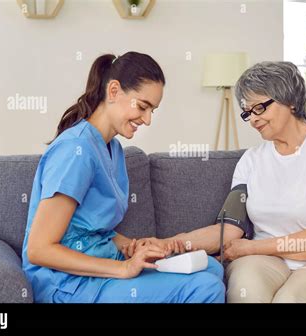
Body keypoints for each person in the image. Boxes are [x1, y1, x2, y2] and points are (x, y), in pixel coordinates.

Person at [144, 61, 306, 303]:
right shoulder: (251, 160)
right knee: (247, 294)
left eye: (259, 108)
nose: (252, 119)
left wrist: (250, 248)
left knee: (291, 300)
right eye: (247, 112)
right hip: (267, 261)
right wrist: (169, 244)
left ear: (290, 100)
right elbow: (228, 231)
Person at [21, 52, 225, 303]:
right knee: (205, 288)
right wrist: (124, 268)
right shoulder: (76, 151)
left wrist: (133, 246)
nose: (148, 120)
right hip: (66, 284)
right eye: (142, 106)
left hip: (100, 265)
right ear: (114, 91)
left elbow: (88, 227)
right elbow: (39, 250)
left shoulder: (113, 149)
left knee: (211, 268)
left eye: (153, 110)